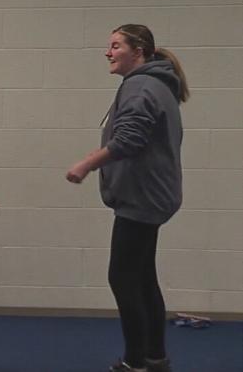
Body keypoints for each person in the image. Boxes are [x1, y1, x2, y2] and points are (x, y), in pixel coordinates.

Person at [66, 24, 188, 372]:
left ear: (139, 51)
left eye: (116, 45)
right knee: (142, 275)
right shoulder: (156, 85)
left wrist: (86, 164)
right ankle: (155, 356)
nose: (108, 52)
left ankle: (135, 361)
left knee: (121, 276)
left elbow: (129, 140)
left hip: (142, 199)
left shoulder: (141, 86)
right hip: (151, 196)